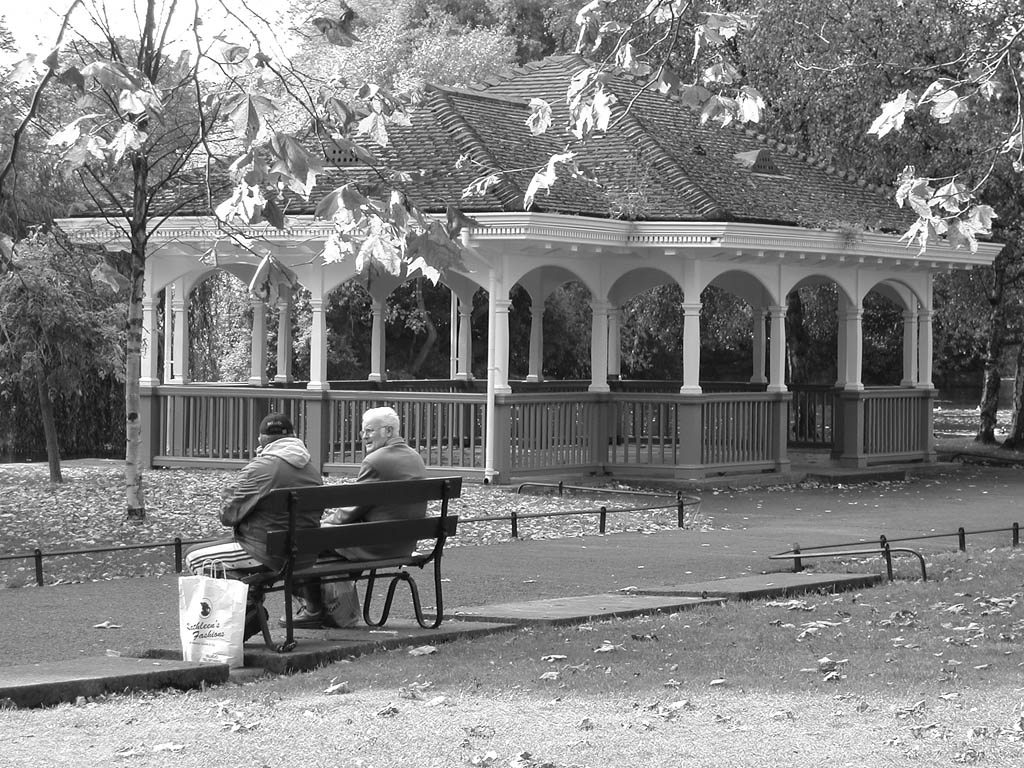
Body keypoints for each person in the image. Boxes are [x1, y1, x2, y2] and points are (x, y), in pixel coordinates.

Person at [287, 405, 427, 628]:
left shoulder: (376, 461)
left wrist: (323, 524)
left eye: (370, 431)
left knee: (300, 542)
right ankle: (329, 606)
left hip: (375, 546)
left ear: (389, 431)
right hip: (403, 544)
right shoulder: (414, 457)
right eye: (363, 431)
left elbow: (352, 509)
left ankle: (314, 609)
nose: (364, 437)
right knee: (322, 545)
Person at [184, 412, 322, 638]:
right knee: (218, 557)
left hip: (268, 551)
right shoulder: (310, 468)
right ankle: (247, 602)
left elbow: (228, 515)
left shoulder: (262, 468)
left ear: (261, 441)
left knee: (195, 557)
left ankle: (248, 609)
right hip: (304, 553)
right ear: (295, 437)